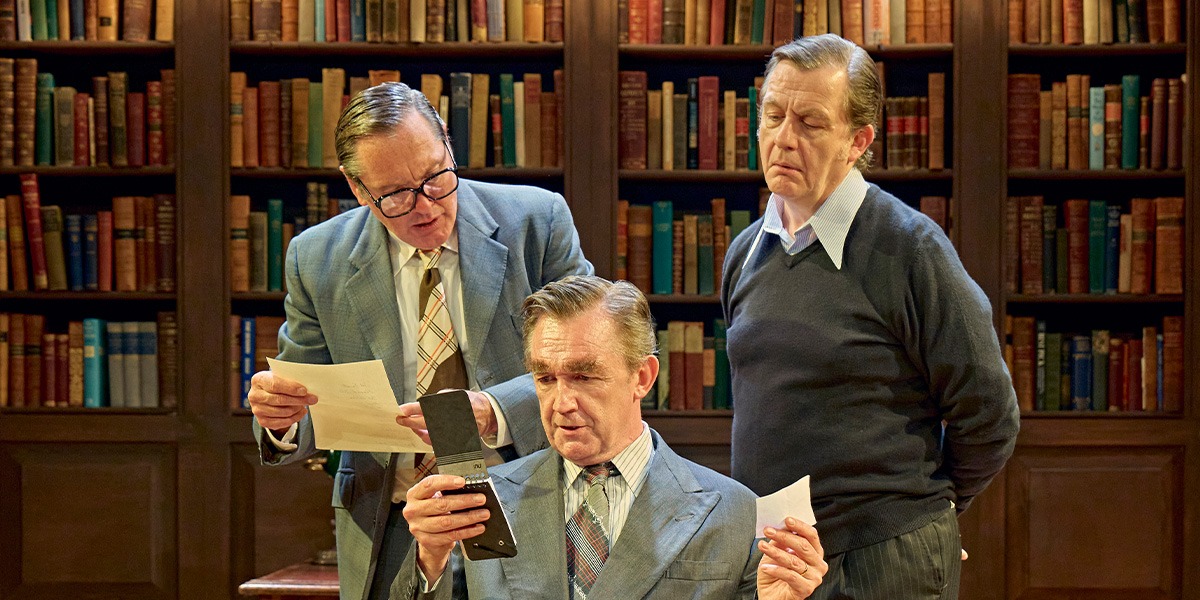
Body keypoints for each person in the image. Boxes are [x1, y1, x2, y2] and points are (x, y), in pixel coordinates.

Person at [245, 82, 593, 600]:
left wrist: (495, 410)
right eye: (395, 195)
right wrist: (282, 422)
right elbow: (306, 399)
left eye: (435, 176)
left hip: (532, 507)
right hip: (392, 523)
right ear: (358, 189)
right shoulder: (317, 258)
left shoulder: (536, 223)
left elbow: (594, 359)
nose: (425, 206)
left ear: (448, 145)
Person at [720, 34, 1021, 599]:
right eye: (773, 115)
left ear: (857, 141)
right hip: (778, 556)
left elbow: (989, 414)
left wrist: (934, 511)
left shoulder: (910, 249)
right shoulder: (745, 252)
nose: (783, 138)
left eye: (809, 122)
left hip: (887, 560)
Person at [393, 276, 827, 600]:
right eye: (545, 378)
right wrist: (429, 557)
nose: (561, 402)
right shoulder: (485, 503)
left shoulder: (733, 511)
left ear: (642, 377)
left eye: (583, 376)